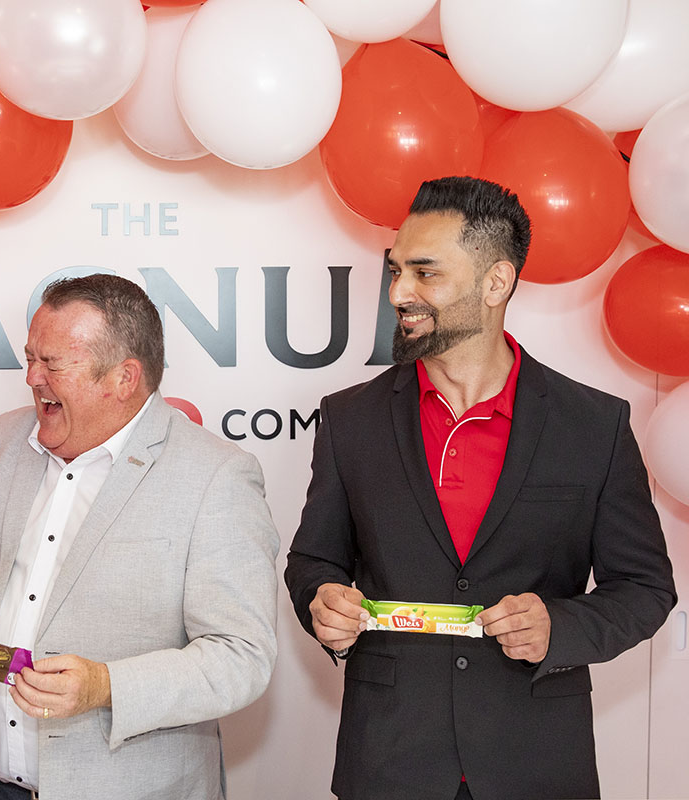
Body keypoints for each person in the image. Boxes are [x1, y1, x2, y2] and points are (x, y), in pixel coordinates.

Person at [284, 176, 676, 800]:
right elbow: (313, 560)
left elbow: (647, 589)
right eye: (395, 271)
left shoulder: (595, 426)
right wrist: (320, 599)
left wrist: (562, 625)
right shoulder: (349, 419)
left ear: (496, 283)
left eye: (425, 272)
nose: (398, 292)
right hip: (388, 762)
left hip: (538, 763)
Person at [0, 274, 279, 800]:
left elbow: (242, 656)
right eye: (30, 357)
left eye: (52, 363)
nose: (31, 377)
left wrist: (105, 687)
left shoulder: (217, 476)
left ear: (123, 378)